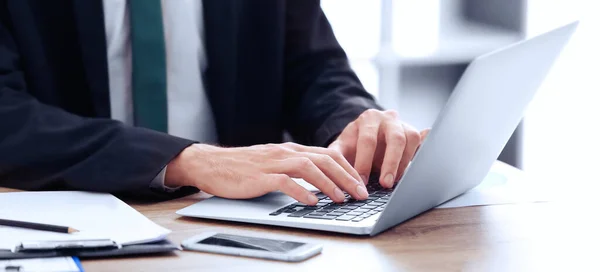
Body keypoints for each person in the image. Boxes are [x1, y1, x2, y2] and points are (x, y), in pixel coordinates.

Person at [0, 0, 427, 204]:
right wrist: (185, 160)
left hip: (242, 227)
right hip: (79, 217)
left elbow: (313, 68)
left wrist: (352, 123)